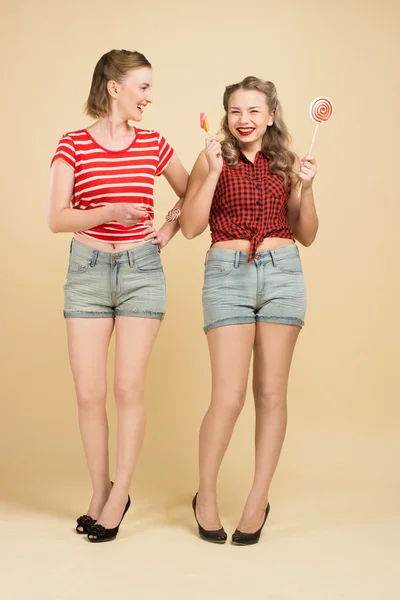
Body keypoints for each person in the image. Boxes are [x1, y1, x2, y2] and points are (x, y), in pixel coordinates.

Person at [47, 49, 188, 543]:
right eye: (143, 87)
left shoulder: (154, 145)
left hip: (140, 270)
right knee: (89, 394)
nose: (149, 97)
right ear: (114, 87)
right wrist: (108, 210)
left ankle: (120, 494)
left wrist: (167, 230)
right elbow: (57, 218)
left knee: (128, 389)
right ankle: (99, 491)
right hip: (86, 269)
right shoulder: (72, 144)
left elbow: (192, 197)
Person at [180, 76, 318, 545]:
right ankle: (208, 498)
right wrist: (214, 172)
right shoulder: (211, 156)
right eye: (236, 111)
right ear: (226, 115)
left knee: (272, 396)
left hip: (282, 272)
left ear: (271, 115)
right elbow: (192, 228)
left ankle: (258, 499)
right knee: (228, 398)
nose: (245, 120)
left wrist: (307, 187)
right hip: (227, 272)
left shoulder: (287, 164)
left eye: (255, 111)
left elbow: (307, 233)